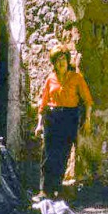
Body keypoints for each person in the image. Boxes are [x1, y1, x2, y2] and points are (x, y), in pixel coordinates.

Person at [34, 44, 93, 199]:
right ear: (53, 63)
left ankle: (57, 188)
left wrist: (87, 120)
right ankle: (44, 190)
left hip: (69, 117)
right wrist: (39, 124)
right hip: (52, 117)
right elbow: (43, 103)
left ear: (68, 61)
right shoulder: (50, 79)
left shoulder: (76, 78)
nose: (61, 63)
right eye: (58, 60)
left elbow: (87, 101)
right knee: (48, 153)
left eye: (63, 59)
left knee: (63, 154)